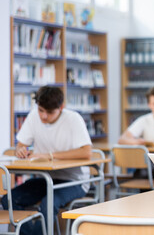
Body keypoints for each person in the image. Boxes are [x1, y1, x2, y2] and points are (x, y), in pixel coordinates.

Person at [2, 86, 92, 235]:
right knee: (9, 200)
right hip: (47, 178)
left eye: (49, 112)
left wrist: (50, 155)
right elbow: (21, 144)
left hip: (75, 181)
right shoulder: (33, 116)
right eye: (41, 110)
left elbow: (87, 152)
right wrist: (21, 150)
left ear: (61, 108)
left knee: (48, 204)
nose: (44, 116)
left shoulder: (73, 119)